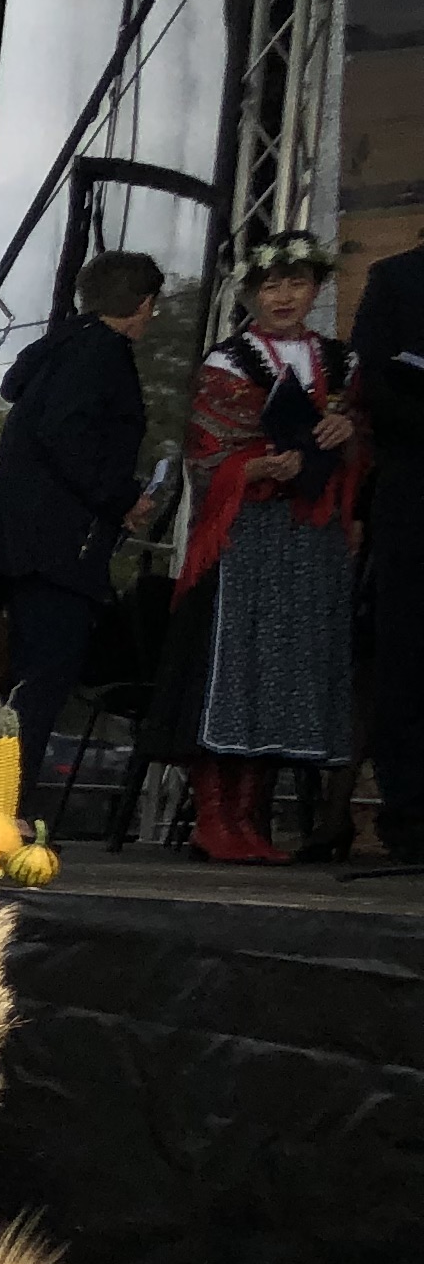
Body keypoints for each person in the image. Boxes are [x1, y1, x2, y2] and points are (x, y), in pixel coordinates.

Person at [178, 230, 371, 863]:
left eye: (298, 283)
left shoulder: (342, 363)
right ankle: (215, 818)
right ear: (252, 294)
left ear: (316, 289)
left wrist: (345, 433)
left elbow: (365, 447)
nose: (285, 296)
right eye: (271, 285)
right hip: (248, 538)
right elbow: (205, 453)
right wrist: (258, 467)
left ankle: (250, 819)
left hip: (312, 539)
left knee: (286, 671)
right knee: (239, 664)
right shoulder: (228, 362)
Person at [0, 249, 162, 773]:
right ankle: (5, 799)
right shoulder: (102, 353)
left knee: (24, 678)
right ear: (143, 304)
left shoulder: (61, 348)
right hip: (57, 548)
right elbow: (67, 435)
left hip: (22, 543)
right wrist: (121, 496)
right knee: (42, 678)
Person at [352, 238, 424, 860]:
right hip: (414, 489)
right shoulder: (397, 279)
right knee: (409, 650)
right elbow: (372, 382)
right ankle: (410, 817)